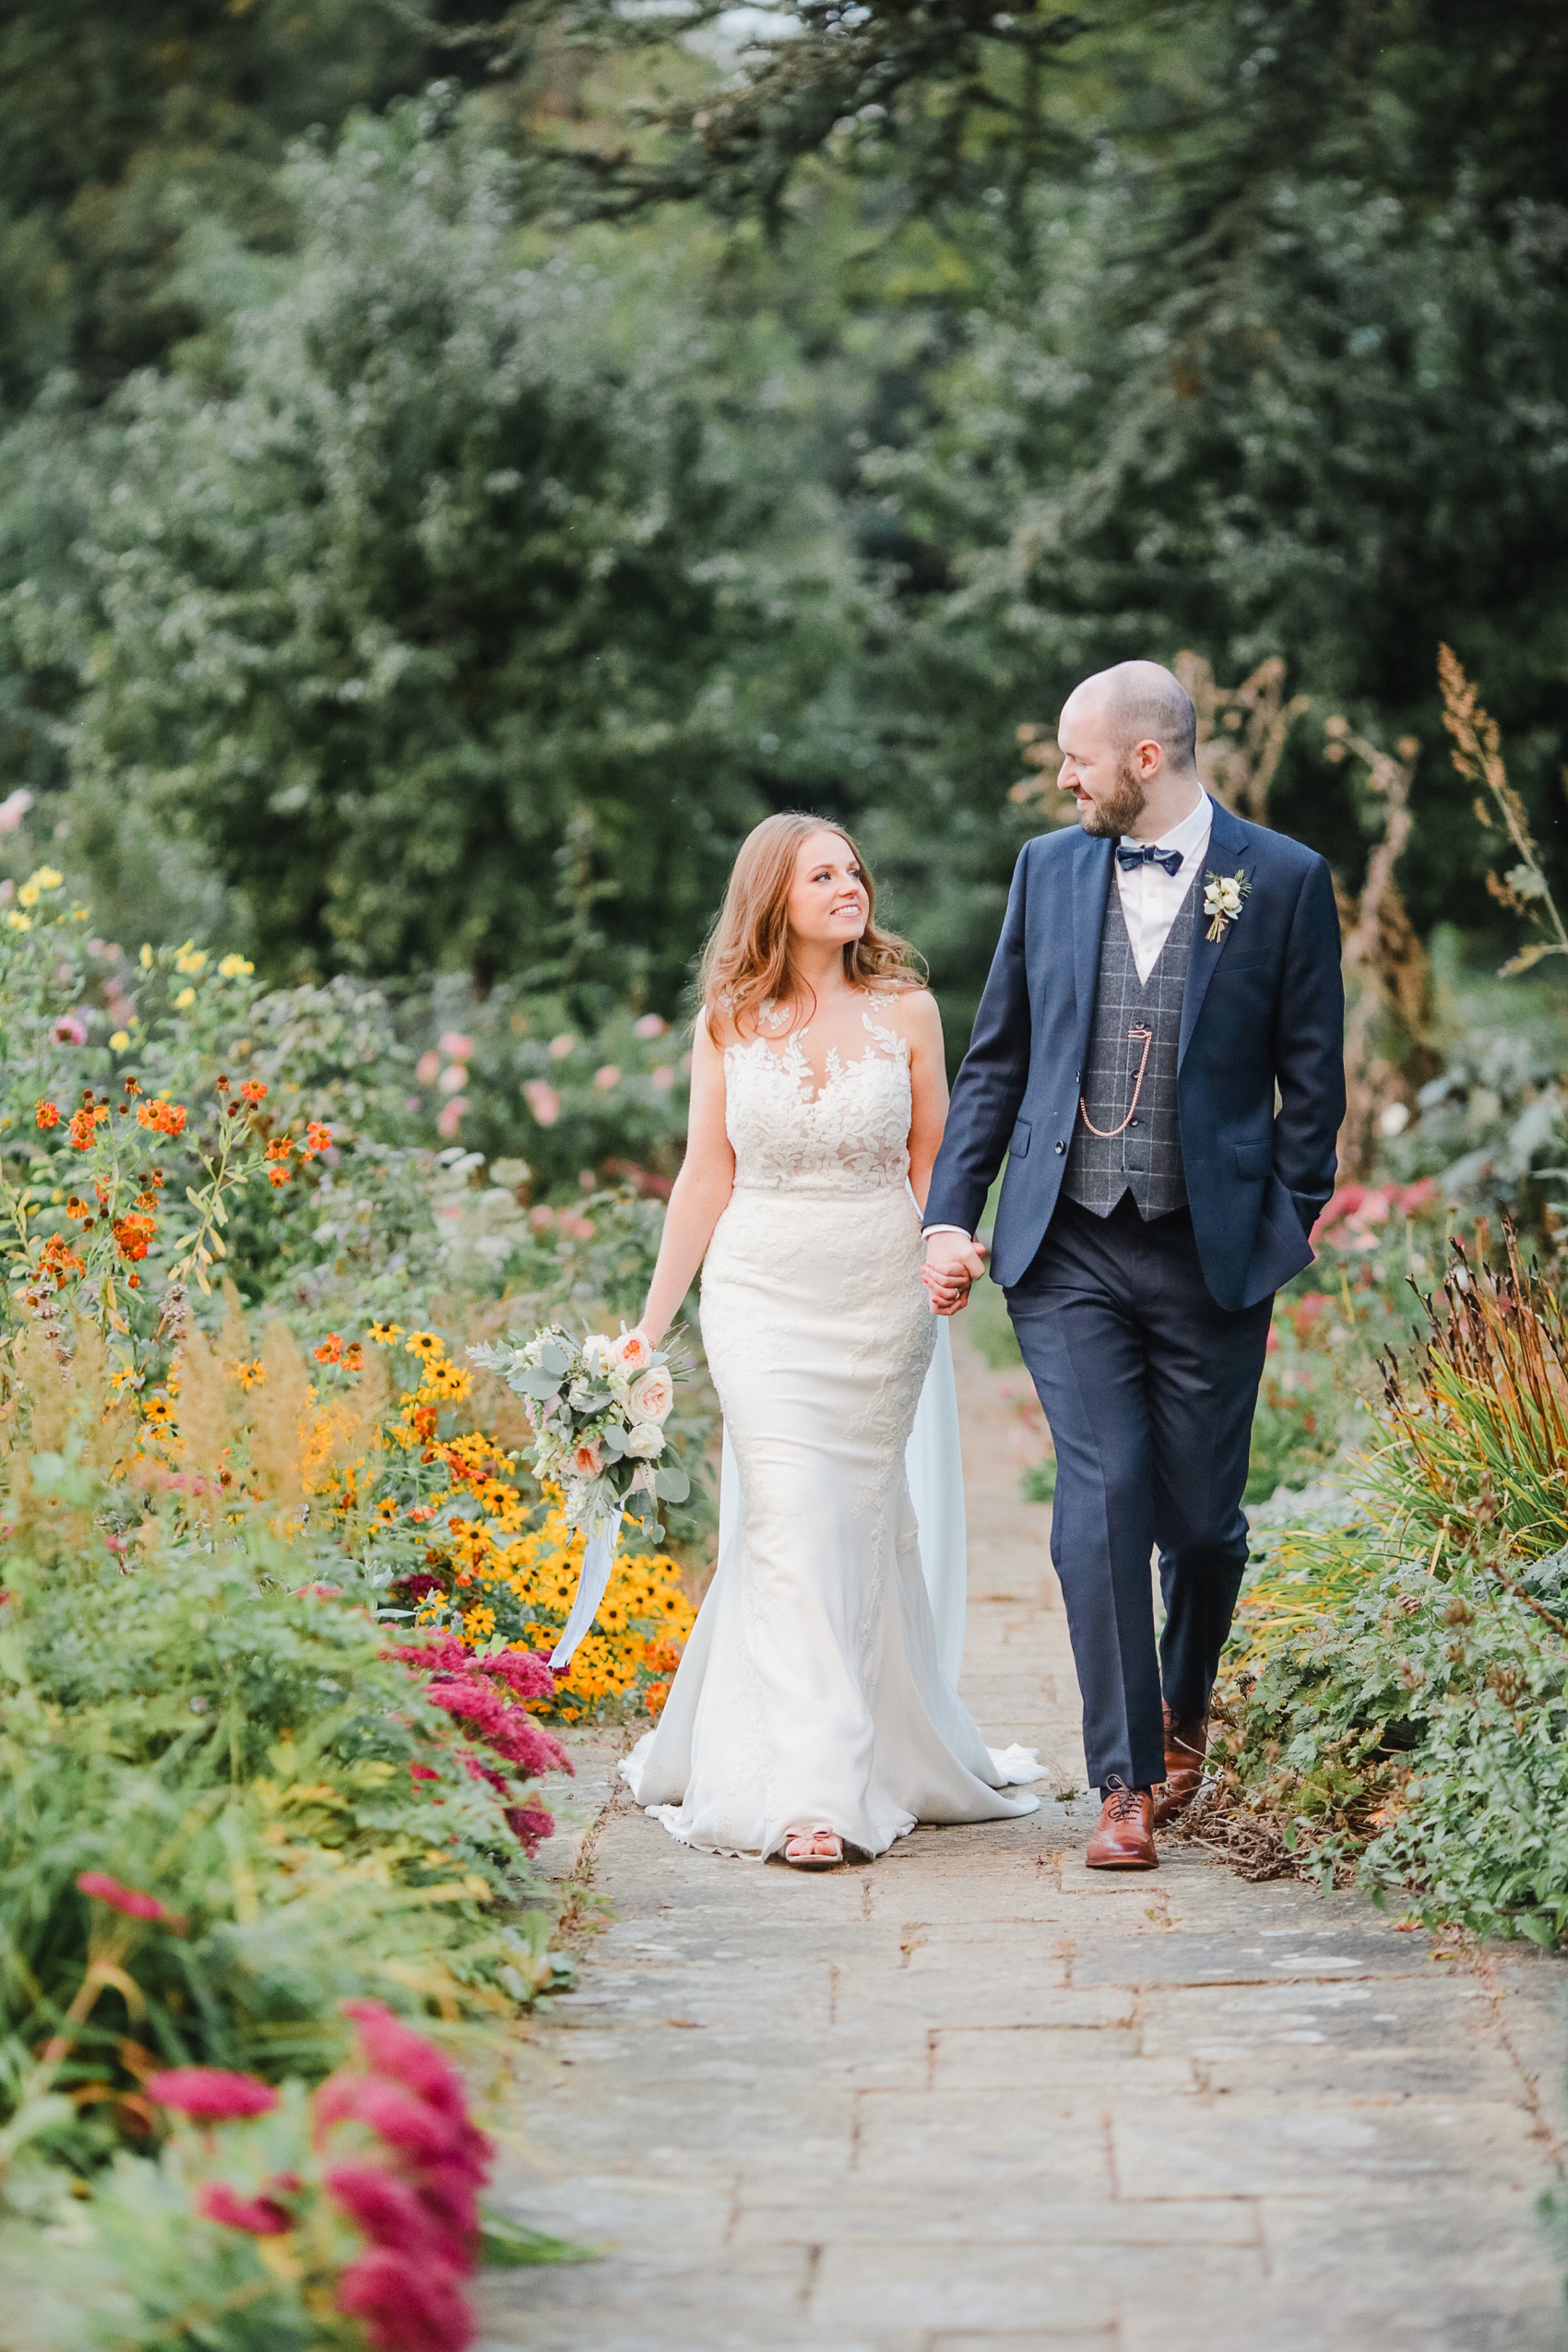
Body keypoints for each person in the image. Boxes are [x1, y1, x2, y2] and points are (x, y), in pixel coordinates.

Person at [922, 661, 1345, 1871]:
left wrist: (1290, 1219)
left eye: (1076, 755)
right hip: (1067, 1243)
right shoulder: (1046, 871)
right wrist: (951, 1215)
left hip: (1212, 1252)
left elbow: (1313, 1081)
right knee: (1100, 1493)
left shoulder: (1280, 880)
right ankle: (1125, 1781)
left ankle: (1183, 1699)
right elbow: (997, 1058)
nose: (1062, 776)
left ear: (1144, 760)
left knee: (1204, 1526)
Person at [619, 812, 1042, 1869]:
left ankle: (877, 1741)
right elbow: (703, 1176)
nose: (849, 886)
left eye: (853, 870)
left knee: (847, 1525)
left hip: (876, 1294)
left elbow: (933, 1155)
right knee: (791, 1515)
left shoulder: (907, 1010)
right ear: (775, 897)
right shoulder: (727, 1018)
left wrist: (945, 1245)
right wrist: (648, 1328)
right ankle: (811, 1792)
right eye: (821, 874)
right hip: (758, 1292)